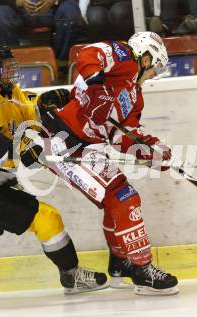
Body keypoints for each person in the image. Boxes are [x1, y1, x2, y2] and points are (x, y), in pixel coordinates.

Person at [0, 41, 108, 296]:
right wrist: (21, 150)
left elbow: (25, 108)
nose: (10, 70)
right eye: (4, 66)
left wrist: (45, 102)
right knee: (46, 218)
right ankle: (72, 276)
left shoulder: (6, 92)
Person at [33, 32, 179, 295]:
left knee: (118, 199)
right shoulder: (126, 59)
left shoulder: (135, 96)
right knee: (123, 198)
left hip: (87, 146)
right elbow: (89, 54)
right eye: (155, 66)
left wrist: (151, 150)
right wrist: (97, 85)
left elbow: (121, 135)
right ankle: (142, 270)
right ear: (145, 57)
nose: (155, 73)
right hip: (65, 139)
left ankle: (121, 263)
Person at [0, 0, 83, 61]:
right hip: (18, 11)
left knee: (71, 12)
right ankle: (11, 65)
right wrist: (19, 2)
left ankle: (62, 64)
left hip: (56, 8)